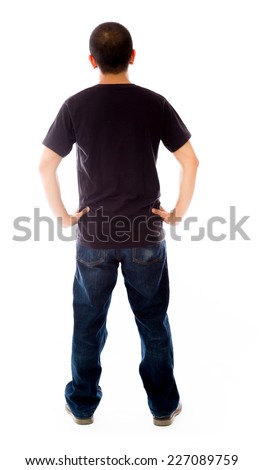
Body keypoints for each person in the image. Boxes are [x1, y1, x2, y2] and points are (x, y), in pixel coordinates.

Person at [39, 22, 199, 426]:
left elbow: (45, 166)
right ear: (132, 56)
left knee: (88, 323)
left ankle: (82, 406)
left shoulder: (75, 105)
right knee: (153, 322)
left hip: (94, 235)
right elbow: (191, 161)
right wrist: (177, 212)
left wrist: (63, 217)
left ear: (92, 60)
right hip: (145, 233)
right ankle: (163, 408)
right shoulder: (155, 103)